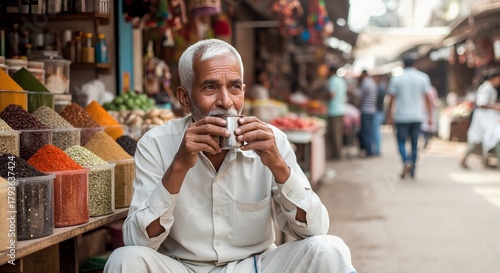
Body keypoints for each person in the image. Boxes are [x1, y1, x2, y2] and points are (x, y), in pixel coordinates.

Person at [104, 39, 356, 273]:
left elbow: (314, 229)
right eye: (210, 87)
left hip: (255, 266)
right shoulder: (156, 144)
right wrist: (179, 166)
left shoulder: (272, 141)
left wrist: (278, 165)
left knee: (328, 249)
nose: (226, 101)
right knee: (123, 260)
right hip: (182, 267)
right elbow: (137, 241)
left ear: (243, 92)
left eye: (234, 87)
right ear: (184, 98)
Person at [386, 57, 433, 178]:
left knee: (401, 141)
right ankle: (412, 169)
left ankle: (406, 160)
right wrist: (430, 115)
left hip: (401, 116)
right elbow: (428, 98)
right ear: (415, 64)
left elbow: (391, 99)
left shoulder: (397, 79)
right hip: (417, 116)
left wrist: (389, 115)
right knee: (414, 143)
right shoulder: (422, 77)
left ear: (403, 64)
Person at [460, 69, 500, 169]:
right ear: (493, 78)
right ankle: (464, 159)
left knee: (487, 138)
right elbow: (481, 103)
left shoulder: (491, 88)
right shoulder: (486, 88)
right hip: (483, 118)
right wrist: (495, 106)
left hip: (488, 117)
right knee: (478, 138)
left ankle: (485, 161)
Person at [326, 65, 348, 160]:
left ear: (331, 71)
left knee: (334, 134)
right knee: (338, 133)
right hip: (340, 109)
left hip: (334, 110)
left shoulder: (333, 81)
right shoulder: (341, 81)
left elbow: (332, 94)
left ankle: (337, 154)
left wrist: (324, 97)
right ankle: (337, 153)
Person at [357, 70, 377, 157]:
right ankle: (370, 150)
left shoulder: (365, 83)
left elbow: (360, 95)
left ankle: (368, 151)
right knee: (369, 131)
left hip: (366, 110)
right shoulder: (372, 82)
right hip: (372, 110)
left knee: (365, 132)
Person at [372, 74, 388, 156]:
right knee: (375, 131)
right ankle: (376, 149)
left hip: (378, 111)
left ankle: (377, 150)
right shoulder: (380, 88)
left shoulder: (379, 89)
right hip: (379, 111)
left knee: (375, 131)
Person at [421, 84, 440, 150]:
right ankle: (426, 139)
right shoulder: (425, 90)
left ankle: (427, 139)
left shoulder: (431, 90)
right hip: (425, 110)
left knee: (428, 126)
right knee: (426, 126)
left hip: (428, 110)